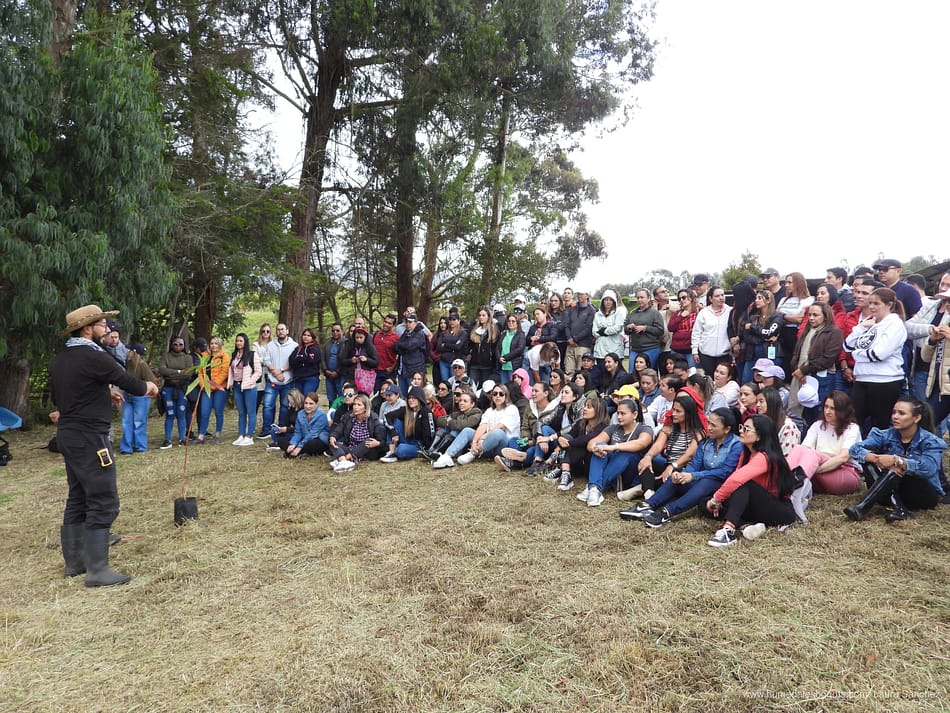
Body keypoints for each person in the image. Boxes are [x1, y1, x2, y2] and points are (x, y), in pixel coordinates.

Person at [51, 304, 160, 586]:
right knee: (103, 497)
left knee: (77, 496)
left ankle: (74, 563)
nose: (107, 330)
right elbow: (127, 380)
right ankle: (98, 570)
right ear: (88, 329)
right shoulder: (93, 356)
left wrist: (104, 392)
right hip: (91, 437)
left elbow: (70, 394)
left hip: (69, 435)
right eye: (102, 325)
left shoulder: (62, 358)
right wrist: (147, 387)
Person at [623, 407, 743, 528]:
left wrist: (693, 475)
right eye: (708, 423)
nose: (709, 428)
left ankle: (667, 512)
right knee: (677, 475)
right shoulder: (706, 443)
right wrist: (682, 474)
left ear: (727, 429)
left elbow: (725, 472)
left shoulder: (736, 445)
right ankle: (647, 505)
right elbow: (694, 465)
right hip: (702, 481)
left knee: (707, 481)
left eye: (713, 425)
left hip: (721, 486)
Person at [844, 396, 946, 522]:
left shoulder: (931, 441)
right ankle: (900, 509)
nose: (895, 416)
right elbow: (854, 449)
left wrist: (897, 461)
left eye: (901, 413)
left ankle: (862, 508)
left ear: (917, 418)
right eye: (894, 412)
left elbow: (929, 469)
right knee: (869, 463)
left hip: (922, 494)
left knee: (897, 468)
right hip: (891, 491)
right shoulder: (885, 434)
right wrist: (876, 459)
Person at [702, 415, 797, 547]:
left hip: (778, 510)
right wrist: (717, 501)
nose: (741, 431)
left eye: (746, 429)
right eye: (741, 427)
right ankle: (746, 526)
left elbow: (737, 479)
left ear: (759, 436)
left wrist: (716, 499)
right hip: (755, 505)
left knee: (743, 485)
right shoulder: (746, 453)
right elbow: (735, 478)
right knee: (703, 504)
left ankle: (729, 530)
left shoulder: (765, 457)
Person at [844, 287, 907, 434]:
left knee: (880, 425)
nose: (871, 307)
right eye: (870, 303)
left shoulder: (895, 324)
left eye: (876, 304)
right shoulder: (870, 323)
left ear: (889, 304)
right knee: (853, 422)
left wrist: (856, 354)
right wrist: (860, 327)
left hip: (884, 381)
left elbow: (879, 354)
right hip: (861, 378)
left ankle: (878, 455)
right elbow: (847, 346)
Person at [576, 398, 653, 507]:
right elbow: (592, 442)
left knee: (626, 453)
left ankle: (595, 487)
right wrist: (595, 448)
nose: (619, 417)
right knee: (601, 446)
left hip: (631, 475)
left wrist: (613, 447)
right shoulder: (613, 428)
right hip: (613, 471)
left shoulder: (644, 429)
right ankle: (594, 489)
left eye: (623, 413)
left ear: (634, 414)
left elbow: (640, 443)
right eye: (618, 413)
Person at [786, 391, 863, 495]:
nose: (827, 411)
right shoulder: (817, 425)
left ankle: (795, 491)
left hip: (845, 471)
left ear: (843, 411)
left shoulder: (852, 428)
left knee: (813, 454)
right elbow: (803, 450)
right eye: (826, 407)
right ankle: (782, 481)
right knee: (799, 449)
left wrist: (814, 469)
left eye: (832, 408)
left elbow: (843, 458)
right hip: (819, 472)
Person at [636, 391, 707, 498]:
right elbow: (658, 445)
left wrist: (672, 467)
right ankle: (648, 493)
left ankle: (641, 488)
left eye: (678, 411)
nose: (673, 413)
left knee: (673, 475)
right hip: (668, 464)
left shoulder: (698, 432)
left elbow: (689, 455)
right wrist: (648, 456)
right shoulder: (669, 428)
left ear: (688, 414)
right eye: (673, 409)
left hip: (684, 469)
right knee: (647, 463)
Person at [433, 384, 520, 468]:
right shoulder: (490, 410)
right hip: (486, 447)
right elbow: (482, 426)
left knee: (498, 433)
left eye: (501, 394)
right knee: (467, 430)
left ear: (506, 396)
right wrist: (474, 442)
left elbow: (501, 427)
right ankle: (447, 456)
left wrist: (482, 438)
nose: (497, 396)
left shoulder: (511, 409)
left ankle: (473, 453)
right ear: (491, 396)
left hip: (503, 447)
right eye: (494, 393)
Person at [788, 302, 843, 420]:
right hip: (801, 376)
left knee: (819, 413)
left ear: (825, 316)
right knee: (803, 414)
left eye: (816, 315)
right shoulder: (807, 331)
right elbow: (796, 353)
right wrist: (797, 369)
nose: (811, 318)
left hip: (822, 378)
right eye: (810, 315)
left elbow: (827, 359)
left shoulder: (834, 332)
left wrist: (804, 370)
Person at [551, 396, 610, 492]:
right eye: (585, 406)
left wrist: (566, 443)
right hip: (578, 464)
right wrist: (561, 439)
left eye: (589, 407)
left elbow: (586, 439)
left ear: (598, 411)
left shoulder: (604, 427)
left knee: (581, 445)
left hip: (592, 466)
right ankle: (565, 472)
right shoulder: (581, 423)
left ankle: (564, 471)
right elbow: (569, 435)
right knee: (567, 439)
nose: (584, 409)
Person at [328, 393, 387, 472]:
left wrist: (378, 443)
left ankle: (343, 460)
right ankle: (344, 462)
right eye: (354, 404)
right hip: (351, 447)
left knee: (368, 441)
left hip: (367, 450)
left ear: (365, 408)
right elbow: (339, 428)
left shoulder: (373, 418)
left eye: (359, 405)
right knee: (333, 442)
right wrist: (333, 437)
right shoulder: (348, 417)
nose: (355, 407)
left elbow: (382, 440)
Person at [919, 286, 950, 427]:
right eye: (945, 301)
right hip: (938, 386)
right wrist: (932, 340)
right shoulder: (944, 324)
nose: (947, 305)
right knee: (925, 423)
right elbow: (925, 357)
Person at [422, 389, 482, 461]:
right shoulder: (458, 413)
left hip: (471, 443)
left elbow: (462, 425)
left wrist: (450, 422)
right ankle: (432, 450)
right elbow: (439, 420)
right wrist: (450, 422)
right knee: (443, 429)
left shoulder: (476, 414)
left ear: (472, 404)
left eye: (465, 401)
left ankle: (439, 452)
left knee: (455, 431)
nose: (461, 403)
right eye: (460, 401)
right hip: (458, 441)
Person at [739, 289, 784, 383]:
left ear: (768, 300)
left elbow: (769, 332)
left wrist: (753, 327)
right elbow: (746, 336)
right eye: (756, 298)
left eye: (760, 298)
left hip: (771, 354)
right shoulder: (753, 317)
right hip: (752, 354)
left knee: (769, 384)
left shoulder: (777, 316)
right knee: (746, 382)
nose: (756, 300)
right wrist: (763, 339)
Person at [260, 323, 297, 436]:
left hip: (288, 381)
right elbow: (266, 360)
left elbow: (294, 362)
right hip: (272, 381)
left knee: (285, 406)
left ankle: (281, 428)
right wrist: (275, 373)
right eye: (278, 329)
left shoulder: (294, 346)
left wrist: (281, 370)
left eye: (282, 329)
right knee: (267, 405)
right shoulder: (271, 345)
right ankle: (267, 429)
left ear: (287, 331)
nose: (280, 331)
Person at [118, 344, 156, 454]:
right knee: (127, 421)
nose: (127, 352)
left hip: (140, 397)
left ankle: (140, 446)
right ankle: (126, 447)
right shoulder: (127, 363)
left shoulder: (141, 365)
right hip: (128, 395)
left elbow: (151, 380)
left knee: (139, 422)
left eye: (129, 350)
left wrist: (143, 388)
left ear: (134, 352)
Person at [228, 332, 263, 446]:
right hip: (237, 387)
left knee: (251, 412)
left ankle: (249, 436)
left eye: (241, 341)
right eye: (237, 341)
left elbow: (258, 371)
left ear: (245, 342)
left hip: (249, 387)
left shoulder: (252, 354)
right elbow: (231, 370)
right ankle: (241, 435)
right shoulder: (234, 355)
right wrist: (231, 383)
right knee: (241, 412)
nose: (238, 343)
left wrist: (250, 381)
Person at [195, 336, 231, 445]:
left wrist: (213, 385)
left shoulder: (224, 357)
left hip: (219, 388)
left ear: (219, 345)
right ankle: (201, 436)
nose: (213, 345)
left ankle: (217, 435)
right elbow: (200, 372)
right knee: (204, 412)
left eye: (216, 343)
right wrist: (203, 385)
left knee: (218, 411)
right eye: (211, 343)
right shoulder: (205, 357)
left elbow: (224, 373)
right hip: (206, 388)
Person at [158, 336, 192, 449]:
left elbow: (188, 373)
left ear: (184, 345)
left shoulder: (187, 358)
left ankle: (182, 439)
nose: (178, 346)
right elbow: (162, 370)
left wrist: (171, 372)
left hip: (182, 388)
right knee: (170, 413)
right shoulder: (166, 356)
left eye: (181, 344)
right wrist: (178, 371)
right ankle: (167, 440)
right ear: (171, 344)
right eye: (175, 344)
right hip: (168, 387)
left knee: (181, 413)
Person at [690, 286, 732, 377]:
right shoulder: (704, 313)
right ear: (710, 298)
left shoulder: (730, 311)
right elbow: (696, 332)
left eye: (722, 295)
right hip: (706, 355)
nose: (721, 298)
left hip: (724, 354)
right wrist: (695, 351)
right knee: (709, 379)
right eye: (717, 296)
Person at [624, 288, 665, 370]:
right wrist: (629, 327)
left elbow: (660, 331)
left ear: (648, 298)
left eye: (642, 297)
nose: (639, 300)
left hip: (651, 348)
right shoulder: (632, 313)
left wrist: (645, 328)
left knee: (648, 374)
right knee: (632, 373)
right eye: (638, 298)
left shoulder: (655, 313)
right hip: (635, 349)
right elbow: (626, 330)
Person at [776, 272, 814, 357]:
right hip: (781, 335)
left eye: (789, 282)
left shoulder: (808, 300)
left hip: (796, 335)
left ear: (798, 283)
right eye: (786, 282)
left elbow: (799, 319)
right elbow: (775, 318)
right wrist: (790, 318)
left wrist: (782, 316)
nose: (786, 285)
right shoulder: (783, 299)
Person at [756, 386, 800, 457]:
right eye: (756, 402)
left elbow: (787, 457)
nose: (757, 405)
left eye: (761, 401)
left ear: (771, 402)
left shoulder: (788, 427)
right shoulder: (760, 423)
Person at [283, 392, 330, 458]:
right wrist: (293, 444)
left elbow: (313, 434)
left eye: (311, 404)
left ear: (316, 404)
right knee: (282, 440)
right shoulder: (300, 413)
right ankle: (295, 450)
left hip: (317, 438)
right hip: (304, 437)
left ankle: (299, 451)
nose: (308, 406)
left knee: (312, 444)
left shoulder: (321, 415)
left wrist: (299, 446)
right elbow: (298, 432)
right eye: (306, 403)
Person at [394, 313, 429, 397]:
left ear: (415, 323)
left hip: (414, 370)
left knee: (414, 394)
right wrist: (402, 346)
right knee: (403, 395)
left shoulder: (420, 333)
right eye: (406, 322)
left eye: (410, 322)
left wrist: (402, 345)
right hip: (403, 369)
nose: (408, 324)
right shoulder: (406, 333)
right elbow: (396, 346)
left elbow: (409, 346)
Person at [563, 289, 596, 374]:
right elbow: (566, 324)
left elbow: (589, 328)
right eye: (578, 294)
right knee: (568, 372)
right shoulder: (571, 308)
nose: (579, 296)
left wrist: (575, 339)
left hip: (583, 345)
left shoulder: (591, 310)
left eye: (582, 294)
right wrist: (569, 338)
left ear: (587, 296)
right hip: (570, 345)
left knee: (581, 372)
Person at [592, 289, 627, 365]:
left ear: (614, 301)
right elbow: (594, 331)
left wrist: (604, 331)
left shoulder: (619, 312)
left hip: (615, 349)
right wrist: (605, 332)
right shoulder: (597, 314)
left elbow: (618, 328)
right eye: (606, 300)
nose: (608, 302)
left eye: (610, 300)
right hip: (600, 351)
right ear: (602, 301)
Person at [341, 326, 379, 394]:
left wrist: (366, 359)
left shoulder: (370, 347)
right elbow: (343, 360)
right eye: (357, 338)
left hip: (365, 377)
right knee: (351, 395)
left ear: (365, 337)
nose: (359, 340)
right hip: (351, 376)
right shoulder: (349, 346)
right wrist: (351, 360)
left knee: (363, 397)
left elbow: (375, 362)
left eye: (361, 338)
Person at [468, 306, 500, 387]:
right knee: (471, 386)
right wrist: (469, 354)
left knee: (485, 388)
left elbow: (496, 347)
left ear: (488, 316)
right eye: (480, 315)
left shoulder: (494, 330)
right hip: (475, 363)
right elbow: (469, 345)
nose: (481, 317)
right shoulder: (474, 329)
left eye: (483, 315)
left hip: (488, 364)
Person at [265, 388, 305, 452]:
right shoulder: (291, 408)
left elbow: (302, 428)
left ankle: (281, 443)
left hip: (299, 432)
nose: (289, 402)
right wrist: (280, 429)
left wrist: (286, 429)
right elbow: (286, 423)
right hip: (292, 431)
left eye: (291, 400)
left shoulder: (303, 410)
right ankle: (279, 443)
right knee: (273, 431)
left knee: (293, 436)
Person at [668, 288, 699, 366]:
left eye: (684, 297)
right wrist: (681, 316)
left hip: (692, 351)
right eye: (679, 298)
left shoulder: (699, 312)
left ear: (691, 298)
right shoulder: (677, 314)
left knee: (692, 374)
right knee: (676, 375)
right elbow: (670, 328)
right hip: (676, 350)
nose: (681, 300)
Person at [435, 313, 469, 383]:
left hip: (455, 362)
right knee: (445, 383)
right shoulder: (444, 333)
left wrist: (445, 344)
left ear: (458, 321)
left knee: (455, 383)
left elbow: (458, 347)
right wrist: (453, 346)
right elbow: (438, 347)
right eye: (450, 319)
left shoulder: (463, 333)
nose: (452, 321)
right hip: (443, 361)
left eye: (454, 319)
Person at [372, 313, 400, 393]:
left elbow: (399, 355)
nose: (386, 324)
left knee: (389, 394)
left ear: (393, 325)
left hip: (389, 371)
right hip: (376, 370)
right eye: (385, 322)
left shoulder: (396, 338)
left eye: (389, 323)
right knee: (377, 394)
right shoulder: (376, 335)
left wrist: (392, 367)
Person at [320, 323, 347, 405]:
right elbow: (322, 358)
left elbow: (345, 359)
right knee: (331, 398)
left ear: (342, 331)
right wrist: (325, 370)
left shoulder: (346, 343)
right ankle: (331, 416)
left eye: (337, 330)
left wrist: (337, 371)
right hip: (329, 375)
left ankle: (341, 416)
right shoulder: (327, 343)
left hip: (341, 375)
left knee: (341, 397)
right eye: (333, 331)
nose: (335, 332)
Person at [290, 328, 321, 397]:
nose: (306, 337)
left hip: (311, 378)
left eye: (309, 335)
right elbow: (291, 360)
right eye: (304, 335)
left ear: (313, 337)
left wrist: (299, 359)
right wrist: (303, 360)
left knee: (307, 398)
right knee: (298, 401)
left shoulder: (315, 348)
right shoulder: (298, 348)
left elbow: (312, 361)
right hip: (298, 378)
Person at [497, 313, 526, 384]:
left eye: (513, 321)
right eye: (509, 321)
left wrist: (505, 357)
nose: (510, 323)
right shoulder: (503, 334)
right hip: (503, 366)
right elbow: (498, 347)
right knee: (504, 388)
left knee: (513, 388)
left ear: (517, 323)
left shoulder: (520, 334)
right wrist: (499, 357)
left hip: (513, 365)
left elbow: (520, 349)